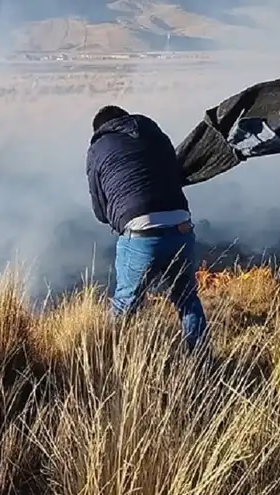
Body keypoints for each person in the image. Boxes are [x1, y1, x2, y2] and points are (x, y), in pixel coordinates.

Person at [86, 105, 207, 350]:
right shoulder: (157, 135)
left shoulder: (98, 148)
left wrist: (119, 217)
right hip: (183, 227)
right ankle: (201, 361)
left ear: (99, 129)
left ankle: (115, 360)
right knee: (187, 300)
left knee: (125, 306)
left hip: (141, 234)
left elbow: (99, 210)